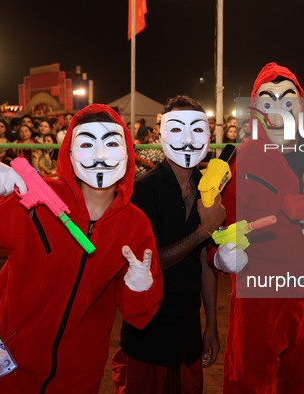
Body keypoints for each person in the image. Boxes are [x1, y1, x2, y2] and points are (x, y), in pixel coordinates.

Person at [0, 104, 163, 392]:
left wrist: (141, 288)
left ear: (127, 152)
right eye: (87, 144)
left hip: (77, 371)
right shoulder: (36, 199)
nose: (100, 155)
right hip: (2, 352)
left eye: (112, 144)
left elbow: (138, 315)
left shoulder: (135, 226)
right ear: (70, 152)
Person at [214, 63, 304, 393]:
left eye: (287, 100)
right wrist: (221, 258)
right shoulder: (241, 160)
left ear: (302, 106)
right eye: (267, 101)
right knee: (249, 381)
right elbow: (219, 230)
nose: (277, 111)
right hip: (257, 299)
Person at [112, 96, 225, 393]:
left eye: (197, 130)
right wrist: (203, 231)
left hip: (188, 333)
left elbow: (205, 262)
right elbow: (148, 263)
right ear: (161, 135)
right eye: (177, 129)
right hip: (148, 333)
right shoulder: (143, 192)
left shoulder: (208, 188)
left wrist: (211, 325)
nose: (187, 139)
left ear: (209, 136)